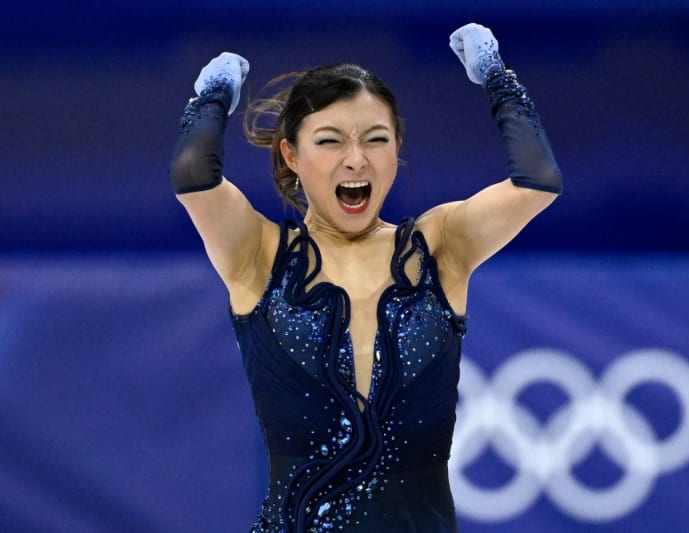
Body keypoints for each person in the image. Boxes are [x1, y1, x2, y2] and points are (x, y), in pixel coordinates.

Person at [169, 22, 562, 533]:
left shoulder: (439, 247)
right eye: (329, 141)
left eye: (376, 140)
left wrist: (495, 74)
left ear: (396, 148)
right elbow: (192, 173)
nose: (356, 159)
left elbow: (537, 181)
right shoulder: (259, 254)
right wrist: (214, 93)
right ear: (291, 154)